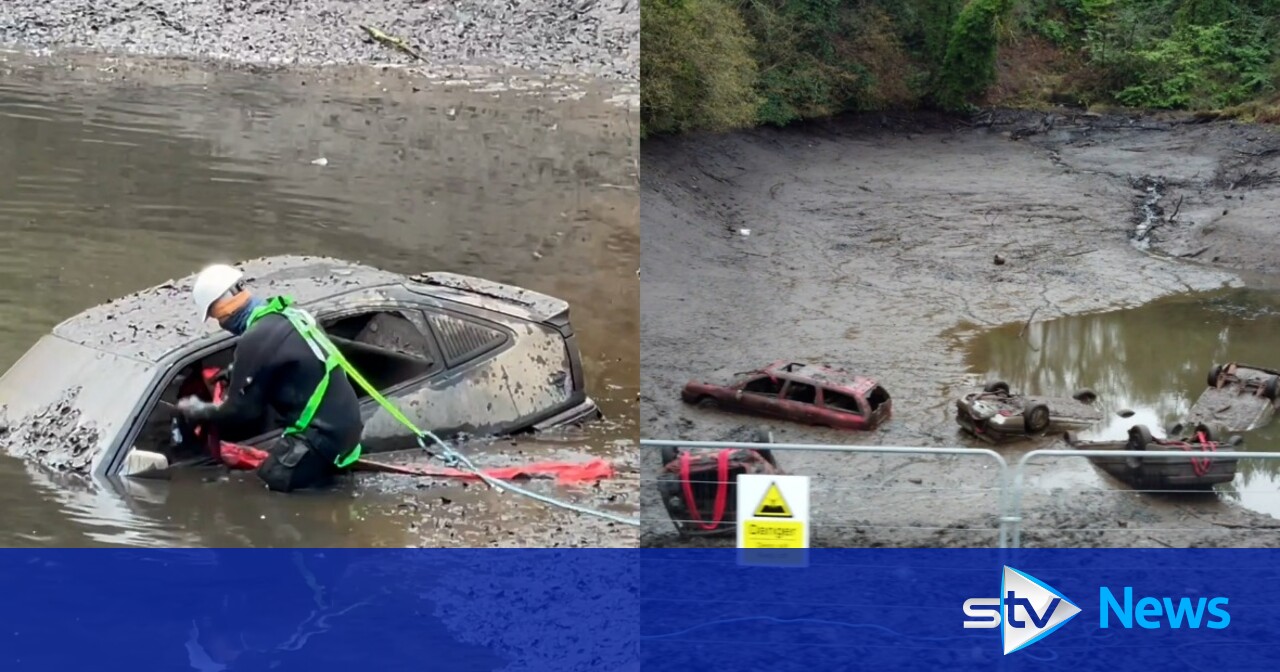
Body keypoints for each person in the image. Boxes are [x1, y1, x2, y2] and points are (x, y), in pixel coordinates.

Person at [174, 263, 365, 492]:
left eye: (215, 316)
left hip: (322, 436)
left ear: (222, 309)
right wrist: (238, 371)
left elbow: (242, 411)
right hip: (347, 425)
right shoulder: (289, 314)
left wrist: (200, 410)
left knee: (269, 485)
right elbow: (293, 357)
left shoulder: (255, 339)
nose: (221, 323)